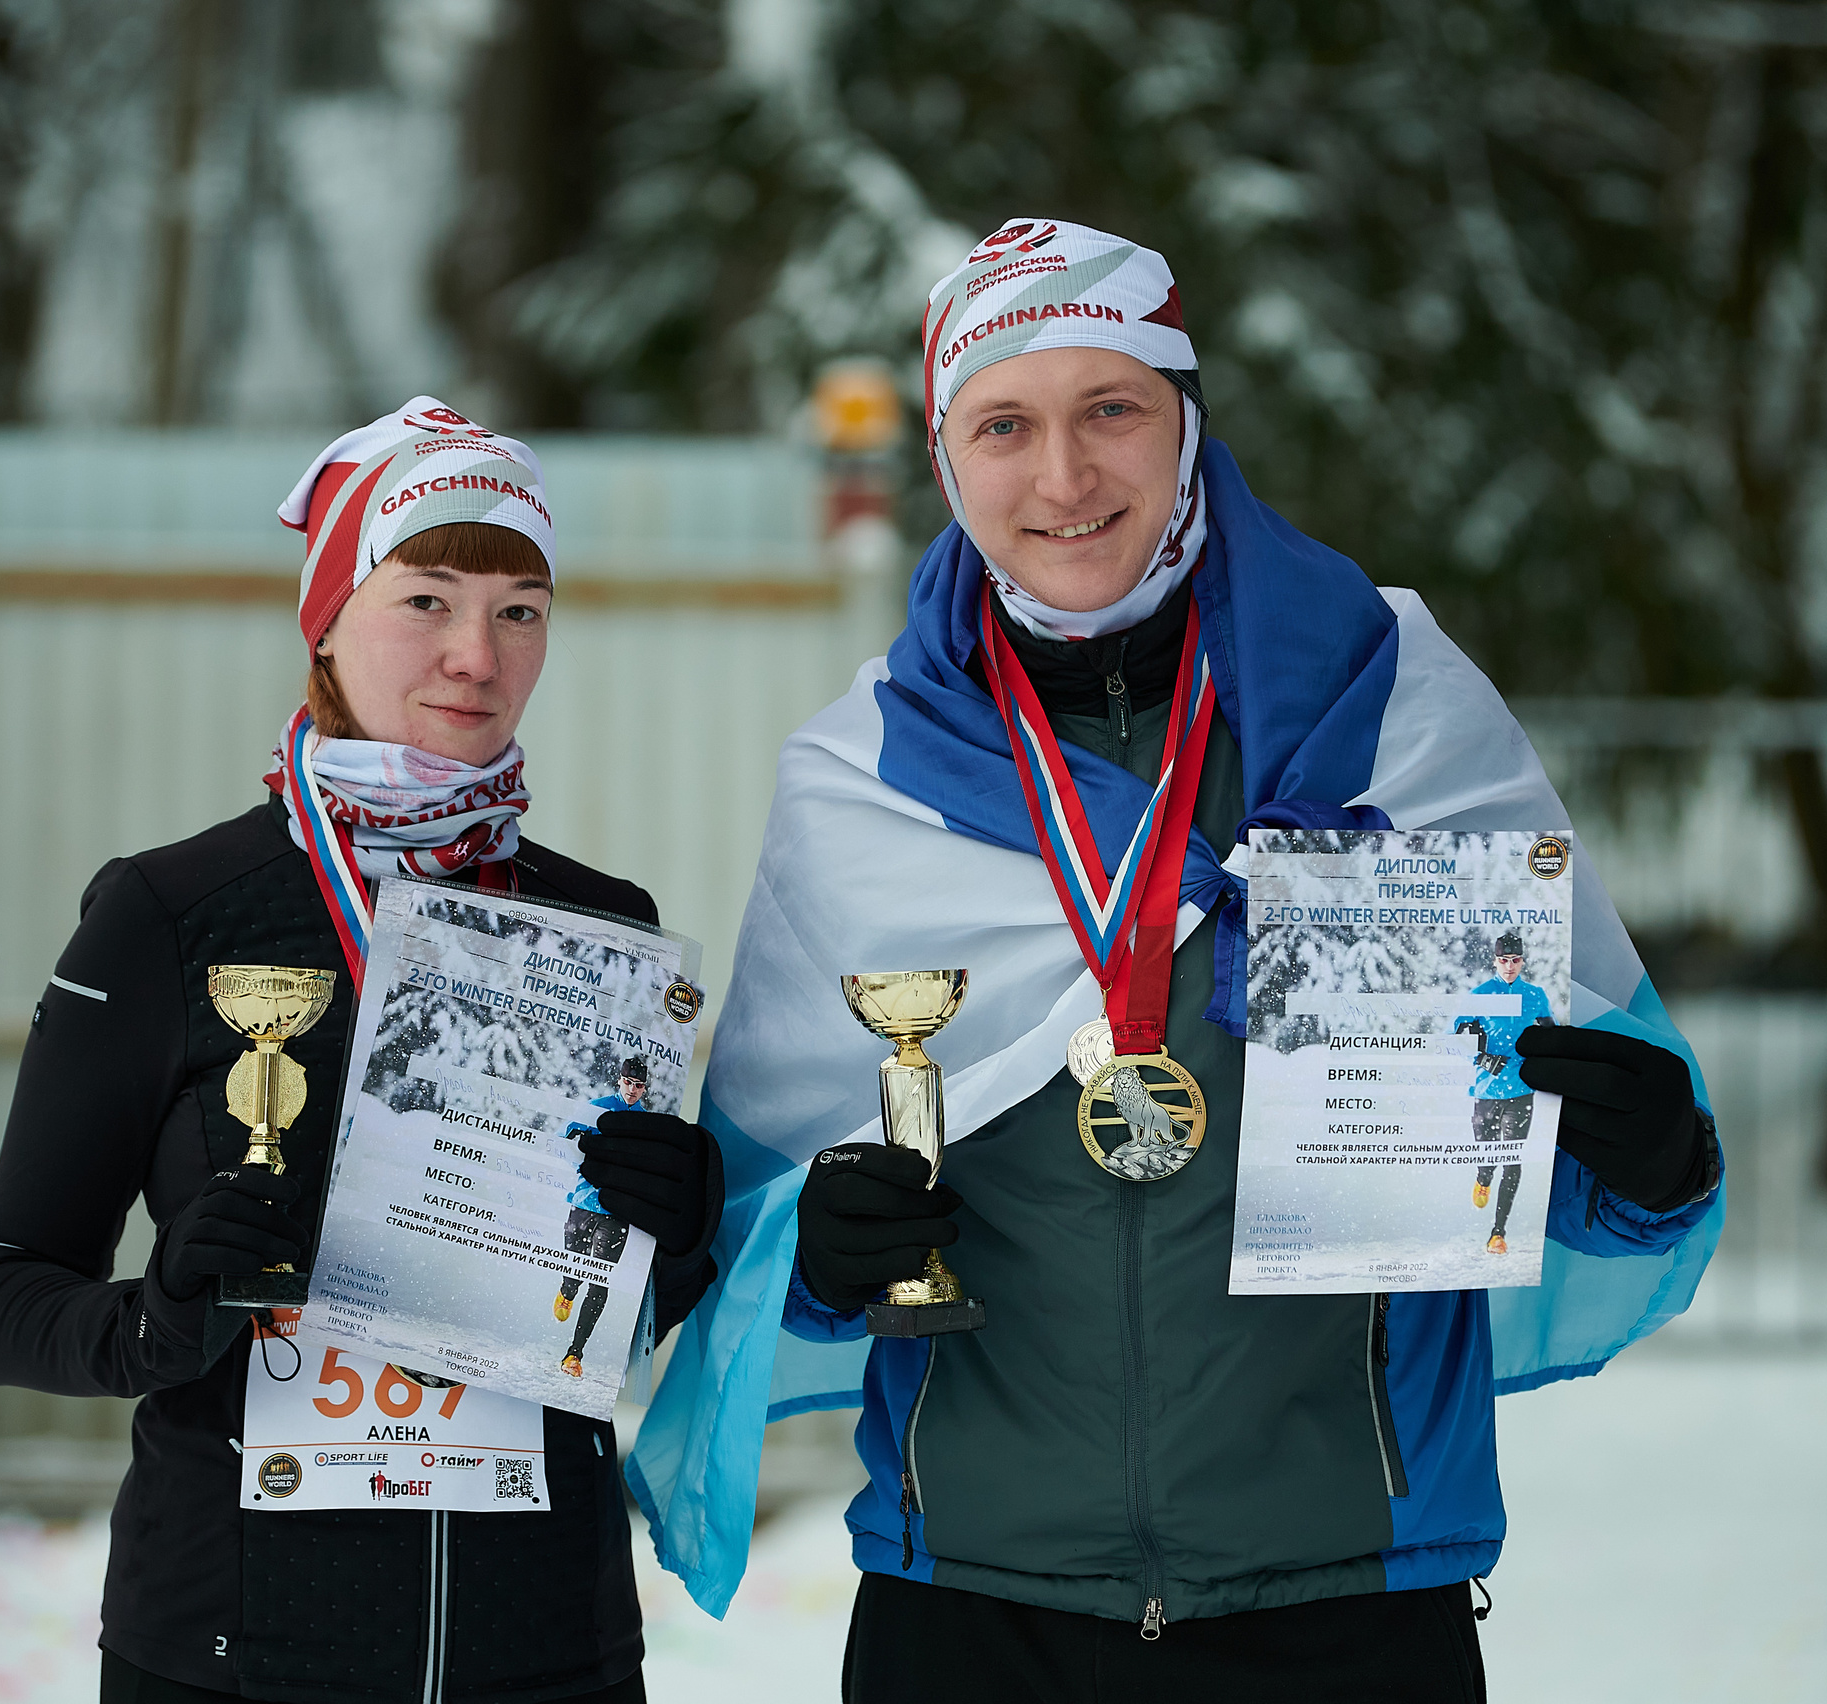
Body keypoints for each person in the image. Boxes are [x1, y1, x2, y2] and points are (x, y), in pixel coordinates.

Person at [628, 223, 1723, 1702]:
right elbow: (752, 1216)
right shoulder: (860, 778)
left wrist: (1644, 1154)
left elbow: (1568, 1142)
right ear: (948, 459)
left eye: (1113, 411)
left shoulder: (1390, 694)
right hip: (972, 1607)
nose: (1066, 479)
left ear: (1187, 422)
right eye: (1005, 425)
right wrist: (821, 1254)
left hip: (1346, 1595)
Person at [0, 398, 724, 1704]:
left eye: (520, 609)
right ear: (327, 616)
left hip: (547, 1656)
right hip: (234, 1655)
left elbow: (610, 1323)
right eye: (425, 598)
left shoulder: (600, 931)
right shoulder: (170, 914)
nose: (475, 655)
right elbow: (3, 1297)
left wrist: (680, 1239)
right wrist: (158, 1327)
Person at [1455, 931, 1557, 1253]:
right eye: (1503, 960)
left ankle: (1498, 1233)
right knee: (1488, 1159)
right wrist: (1482, 1057)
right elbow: (1453, 1038)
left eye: (1515, 960)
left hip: (1520, 1089)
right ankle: (1483, 1179)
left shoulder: (1535, 995)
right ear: (1494, 960)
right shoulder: (1480, 995)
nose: (1509, 966)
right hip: (1485, 1090)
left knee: (1511, 1157)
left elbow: (1552, 1037)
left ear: (1522, 961)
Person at [554, 1060, 654, 1376]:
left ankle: (574, 1355)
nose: (632, 1090)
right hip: (583, 1205)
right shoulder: (596, 1109)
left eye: (639, 1086)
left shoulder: (646, 1125)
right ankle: (567, 1292)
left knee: (600, 1280)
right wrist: (583, 1167)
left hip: (615, 1214)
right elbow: (563, 1140)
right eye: (628, 1082)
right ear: (619, 1080)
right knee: (575, 1274)